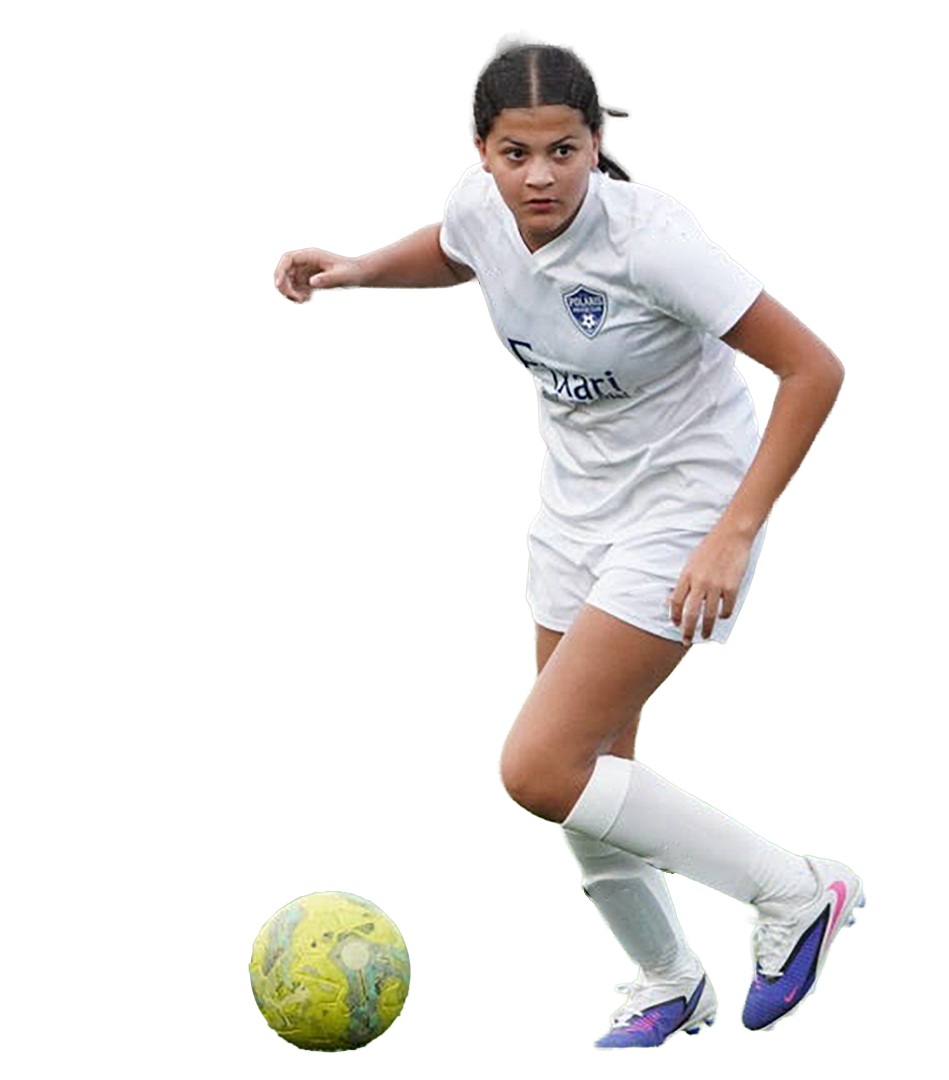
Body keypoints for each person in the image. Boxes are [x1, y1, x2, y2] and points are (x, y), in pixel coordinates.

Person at [274, 35, 864, 1052]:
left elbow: (813, 369)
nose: (540, 176)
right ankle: (669, 981)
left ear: (596, 144)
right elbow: (459, 247)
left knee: (541, 767)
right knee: (592, 779)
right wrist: (360, 269)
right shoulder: (480, 204)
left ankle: (798, 891)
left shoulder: (651, 242)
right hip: (577, 508)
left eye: (563, 151)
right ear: (481, 152)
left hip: (687, 506)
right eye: (516, 154)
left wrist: (733, 533)